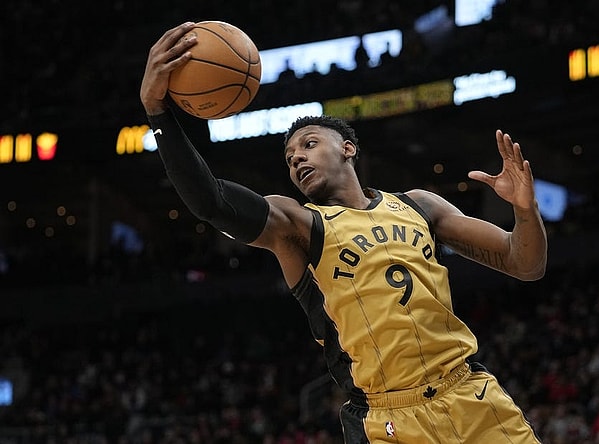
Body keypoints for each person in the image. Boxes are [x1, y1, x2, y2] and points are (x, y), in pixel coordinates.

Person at [141, 21, 548, 444]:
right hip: (389, 420)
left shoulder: (418, 205)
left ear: (347, 148)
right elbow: (212, 202)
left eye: (309, 143)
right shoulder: (298, 226)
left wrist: (524, 211)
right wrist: (157, 113)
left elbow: (524, 263)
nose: (297, 157)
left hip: (471, 396)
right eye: (290, 155)